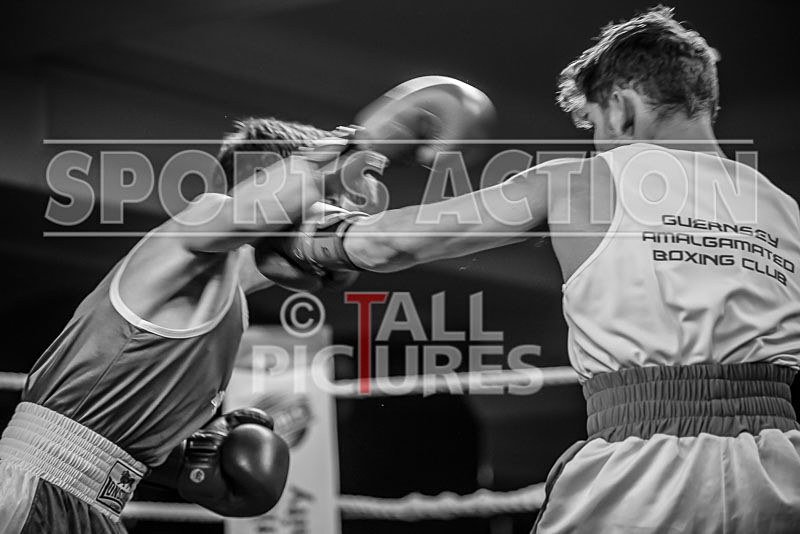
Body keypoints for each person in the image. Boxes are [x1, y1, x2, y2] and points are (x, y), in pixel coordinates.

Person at [270, 7, 800, 532]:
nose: (599, 140)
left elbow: (397, 245)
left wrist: (316, 239)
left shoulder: (579, 182)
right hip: (782, 468)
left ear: (620, 107)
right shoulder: (783, 209)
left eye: (593, 123)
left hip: (649, 467)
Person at [0, 75, 494, 533]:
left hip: (85, 502)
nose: (332, 240)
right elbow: (259, 207)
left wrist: (192, 459)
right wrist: (360, 144)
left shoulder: (226, 303)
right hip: (35, 488)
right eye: (331, 213)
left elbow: (104, 428)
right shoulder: (198, 227)